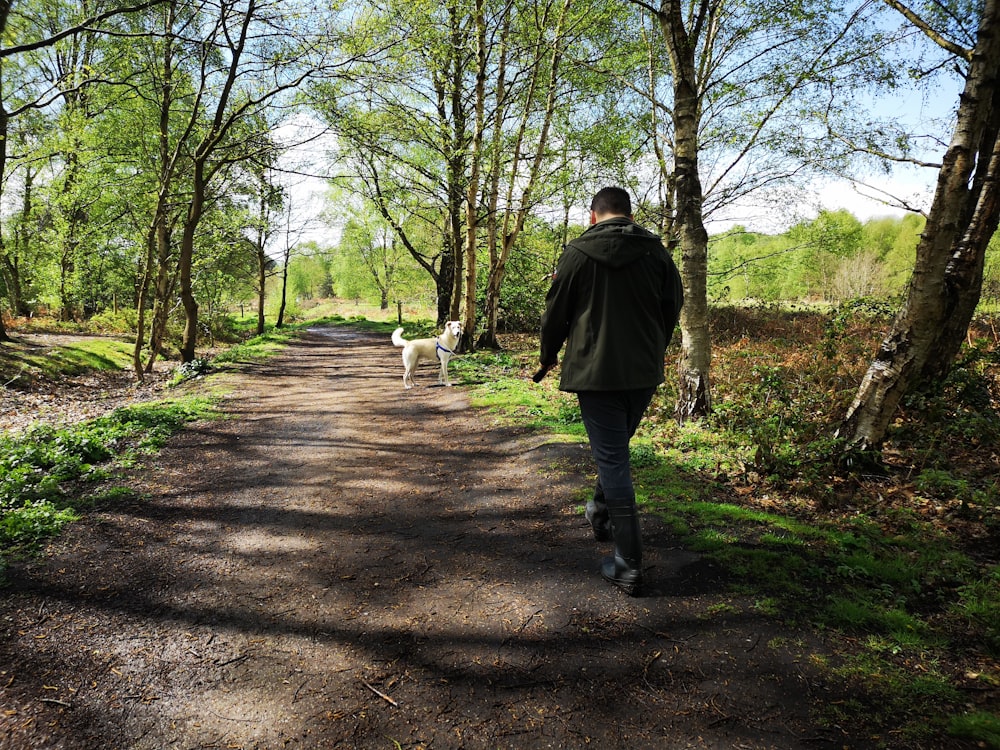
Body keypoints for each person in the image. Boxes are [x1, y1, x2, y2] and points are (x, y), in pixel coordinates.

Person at [537, 186, 683, 596]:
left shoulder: (578, 254)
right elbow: (673, 305)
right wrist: (653, 348)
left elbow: (556, 314)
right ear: (630, 215)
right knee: (614, 451)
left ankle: (629, 563)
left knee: (614, 459)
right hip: (642, 373)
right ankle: (599, 511)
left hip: (595, 374)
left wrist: (547, 357)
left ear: (592, 215)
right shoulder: (657, 253)